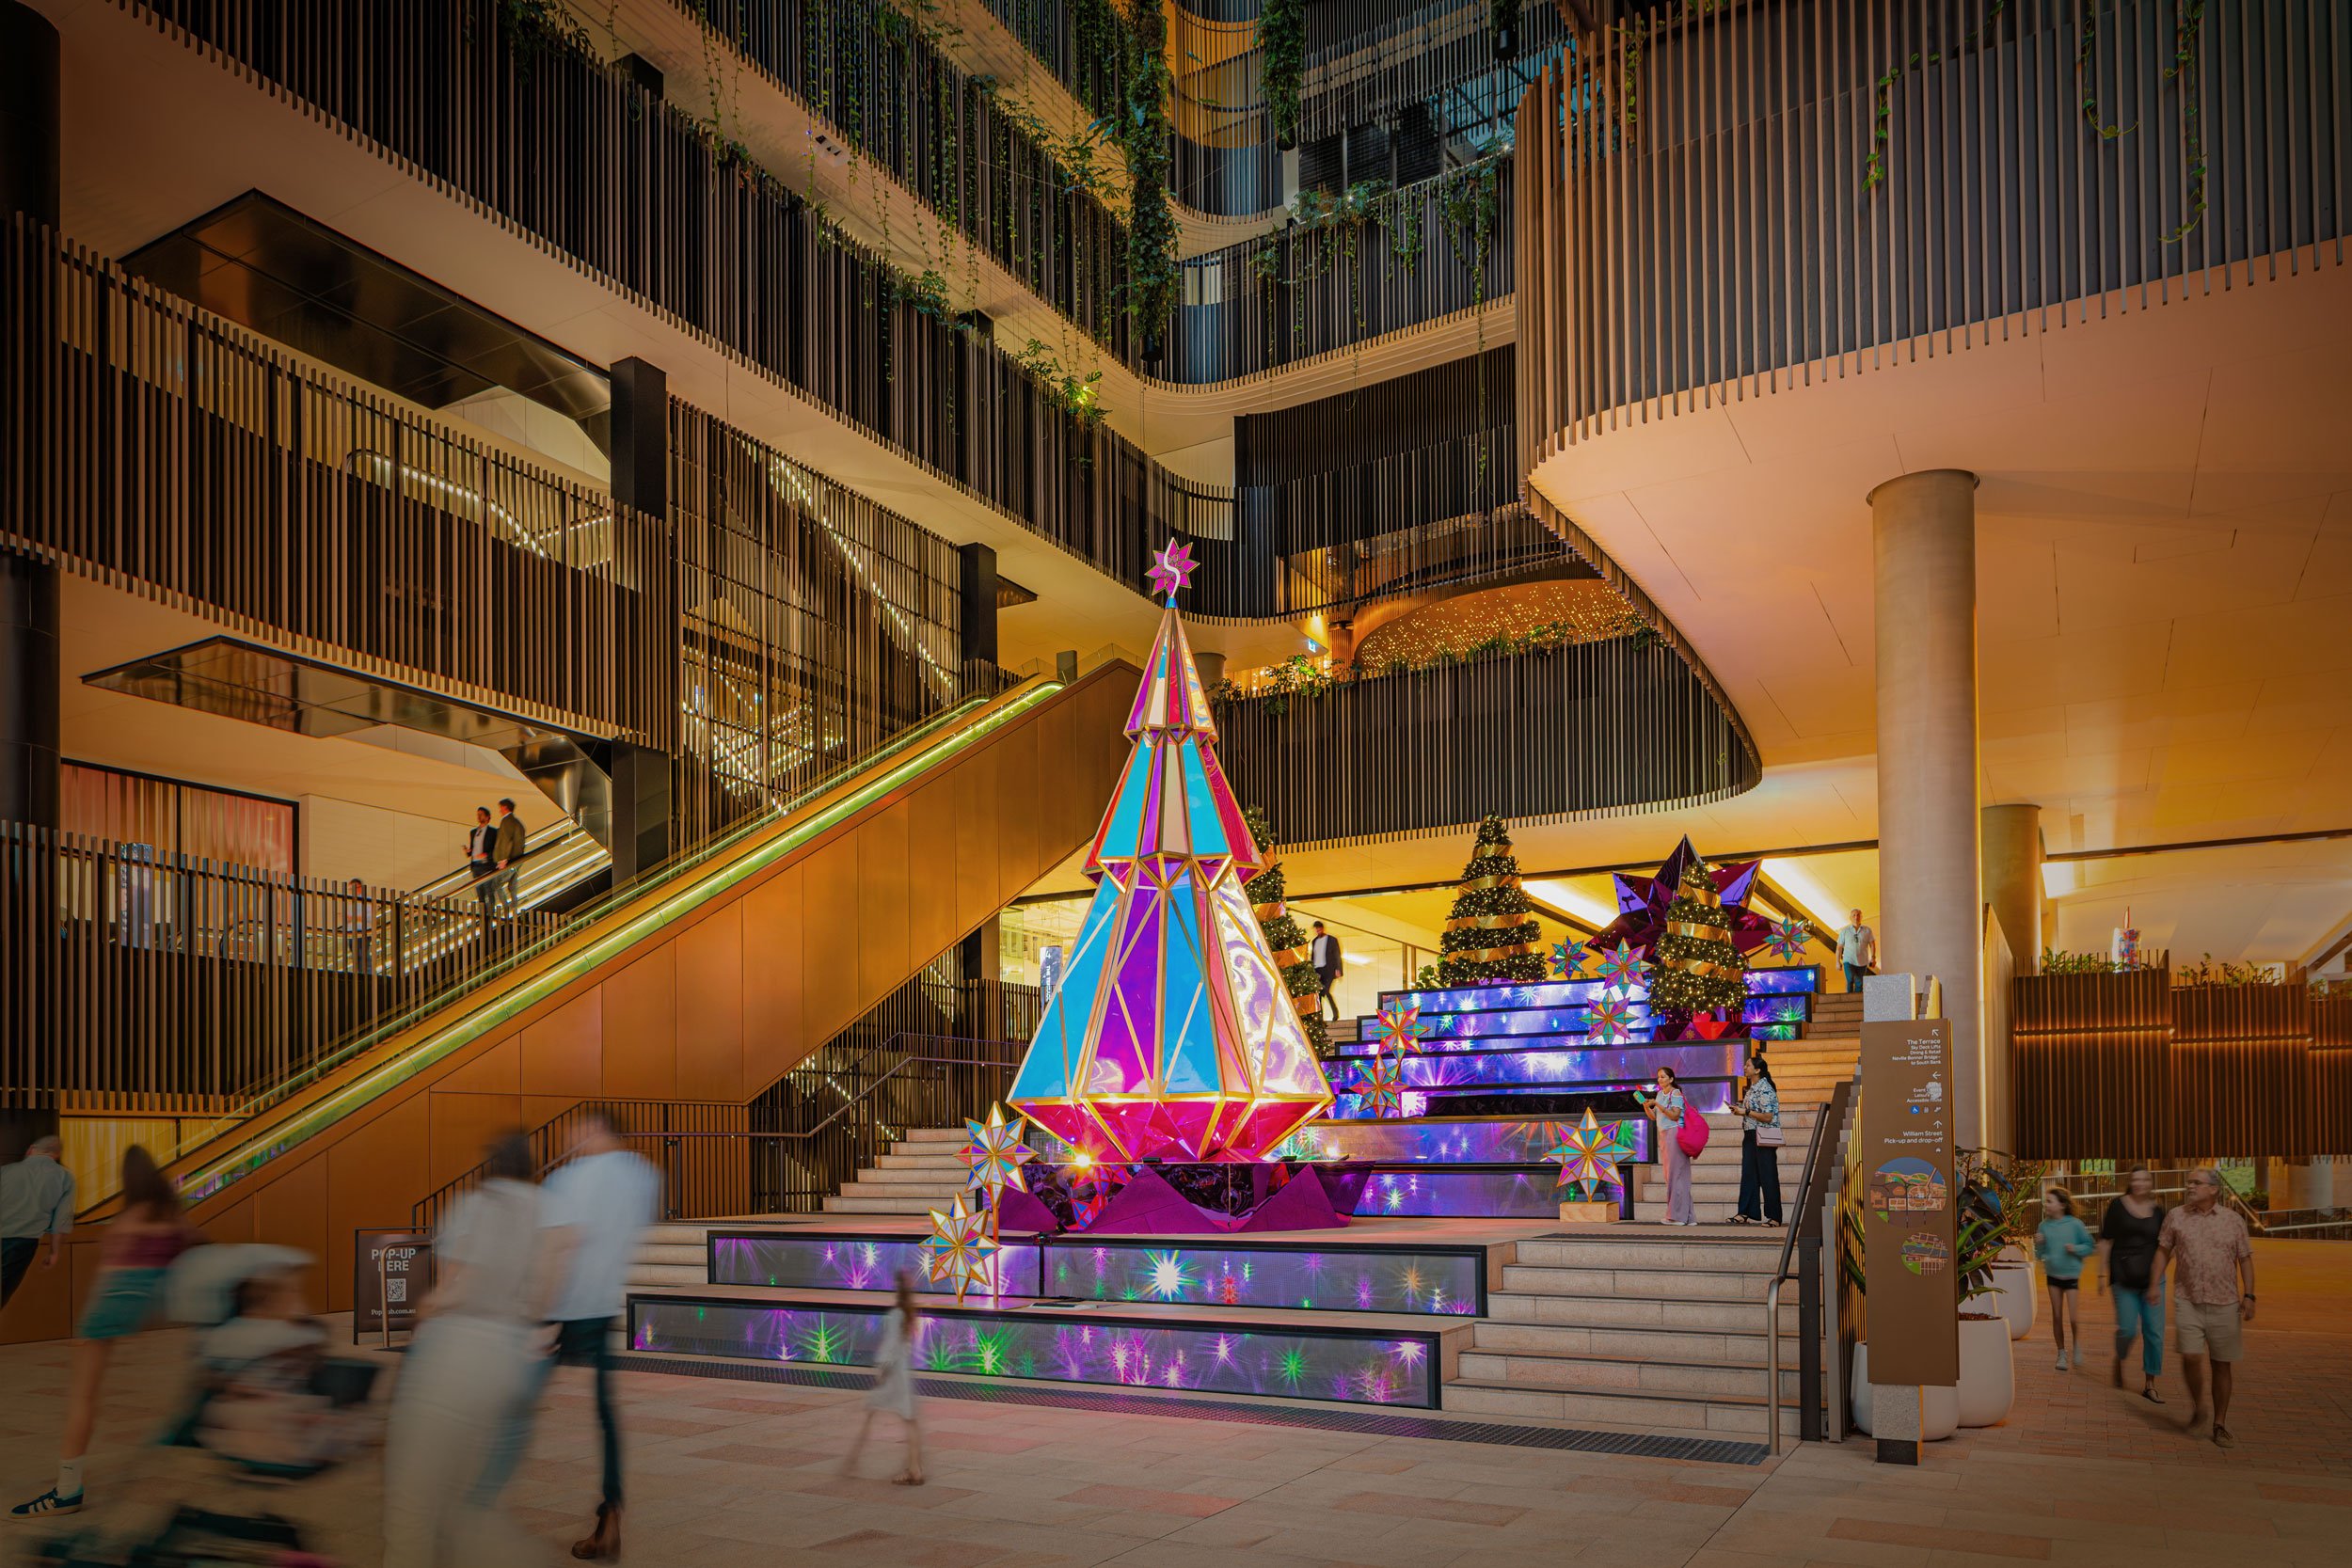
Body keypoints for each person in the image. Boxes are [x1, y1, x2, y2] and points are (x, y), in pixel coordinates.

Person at [383, 1134, 568, 1568]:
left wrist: (428, 1307)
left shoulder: (472, 1205)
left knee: (414, 1494)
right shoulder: (549, 1209)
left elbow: (456, 1283)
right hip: (508, 1355)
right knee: (471, 1497)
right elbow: (547, 1288)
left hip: (453, 1351)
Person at [496, 1115, 660, 1563]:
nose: (570, 1140)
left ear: (594, 1130)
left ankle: (480, 1499)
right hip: (605, 1305)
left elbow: (556, 1248)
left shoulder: (567, 1179)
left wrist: (542, 1317)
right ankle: (611, 1513)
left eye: (576, 1132)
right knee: (606, 1414)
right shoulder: (644, 1175)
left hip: (562, 1311)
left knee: (513, 1401)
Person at [11, 1145, 195, 1519]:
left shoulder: (129, 1218)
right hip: (141, 1310)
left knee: (83, 1400)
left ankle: (67, 1490)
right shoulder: (173, 1218)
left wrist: (84, 1331)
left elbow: (109, 1274)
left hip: (105, 1312)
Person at [2153, 1166, 2255, 1448]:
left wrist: (2250, 1295)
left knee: (2221, 1365)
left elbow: (2245, 1258)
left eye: (2196, 1183)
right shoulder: (2176, 1217)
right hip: (2188, 1299)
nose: (2190, 1187)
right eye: (2189, 1183)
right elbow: (2163, 1250)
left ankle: (2219, 1423)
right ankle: (2199, 1405)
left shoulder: (2233, 1221)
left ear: (2213, 1189)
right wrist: (2153, 1284)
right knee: (2190, 1356)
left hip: (2225, 1302)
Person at [840, 1273, 924, 1485]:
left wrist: (882, 1369)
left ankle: (853, 1461)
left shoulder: (897, 1314)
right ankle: (914, 1470)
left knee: (871, 1410)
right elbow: (904, 1346)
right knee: (909, 1420)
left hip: (893, 1374)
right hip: (903, 1373)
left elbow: (891, 1345)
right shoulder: (910, 1314)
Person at [2098, 1164, 2168, 1403]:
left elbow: (2166, 1246)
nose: (2140, 1183)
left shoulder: (2159, 1211)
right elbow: (2106, 1240)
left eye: (2145, 1180)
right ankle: (2120, 1357)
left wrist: (2158, 1277)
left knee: (2154, 1333)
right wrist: (2100, 1274)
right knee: (2128, 1329)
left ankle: (2150, 1383)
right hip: (2123, 1278)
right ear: (2130, 1182)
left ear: (2151, 1183)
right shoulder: (2118, 1206)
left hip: (2153, 1280)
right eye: (2135, 1179)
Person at [0, 1132, 76, 1311]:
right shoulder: (65, 1177)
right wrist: (54, 1252)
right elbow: (61, 1221)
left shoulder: (5, 1171)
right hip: (21, 1243)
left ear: (31, 1150)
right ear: (56, 1155)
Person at [2036, 1188, 2095, 1370]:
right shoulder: (2043, 1226)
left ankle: (2076, 1346)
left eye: (2050, 1201)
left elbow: (2089, 1246)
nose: (2046, 1205)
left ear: (2062, 1204)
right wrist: (2039, 1245)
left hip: (2071, 1275)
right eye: (2046, 1201)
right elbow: (2040, 1255)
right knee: (2057, 1315)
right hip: (2053, 1275)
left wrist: (2075, 1249)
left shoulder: (2075, 1224)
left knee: (2074, 1317)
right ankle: (2061, 1353)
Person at [1733, 1046, 1783, 1226]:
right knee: (1749, 1174)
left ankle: (1775, 1216)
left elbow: (1768, 1116)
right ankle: (1745, 1212)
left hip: (1763, 1135)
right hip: (1750, 1134)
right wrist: (1741, 1110)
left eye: (1747, 1065)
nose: (1744, 1068)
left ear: (1757, 1070)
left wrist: (1745, 1111)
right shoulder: (1752, 1088)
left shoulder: (1765, 1088)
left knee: (1767, 1175)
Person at [1645, 1067, 1695, 1226]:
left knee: (1675, 1175)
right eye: (1658, 1077)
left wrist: (1658, 1105)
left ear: (1671, 1079)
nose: (1660, 1080)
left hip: (1674, 1134)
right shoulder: (1660, 1094)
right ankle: (1688, 1216)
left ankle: (1676, 1216)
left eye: (1663, 1077)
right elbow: (1654, 1117)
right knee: (1674, 1175)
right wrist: (1647, 1106)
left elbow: (1674, 1115)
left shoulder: (1676, 1093)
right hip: (1665, 1135)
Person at [488, 799, 527, 918]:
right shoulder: (518, 822)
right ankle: (514, 909)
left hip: (509, 860)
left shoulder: (506, 821)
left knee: (496, 885)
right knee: (512, 886)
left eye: (500, 807)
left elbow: (506, 841)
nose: (499, 810)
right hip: (518, 859)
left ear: (505, 807)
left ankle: (506, 910)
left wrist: (503, 859)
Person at [1836, 909, 1876, 992]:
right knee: (1850, 978)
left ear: (1861, 917)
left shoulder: (1867, 930)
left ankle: (1856, 1003)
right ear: (1850, 917)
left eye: (1858, 915)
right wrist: (1837, 961)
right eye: (1854, 915)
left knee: (1859, 984)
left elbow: (1872, 944)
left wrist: (1873, 958)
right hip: (1848, 960)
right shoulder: (1845, 931)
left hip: (1862, 962)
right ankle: (1848, 1000)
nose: (1856, 917)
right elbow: (1839, 947)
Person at [1309, 922, 1343, 1022]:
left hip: (1329, 970)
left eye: (1319, 929)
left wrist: (1338, 969)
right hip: (1318, 970)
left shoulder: (1332, 940)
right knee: (1319, 994)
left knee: (1326, 991)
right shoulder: (1314, 941)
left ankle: (1335, 1013)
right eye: (1316, 930)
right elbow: (1313, 956)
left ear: (1322, 929)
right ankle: (1320, 1017)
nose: (1317, 931)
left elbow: (1337, 955)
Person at [465, 806, 497, 910]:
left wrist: (487, 855)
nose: (478, 816)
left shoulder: (493, 832)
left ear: (488, 817)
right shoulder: (473, 832)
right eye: (477, 814)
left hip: (487, 865)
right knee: (480, 893)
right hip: (476, 865)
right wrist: (468, 852)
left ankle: (491, 914)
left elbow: (496, 848)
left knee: (489, 891)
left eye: (481, 814)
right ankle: (483, 917)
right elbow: (473, 848)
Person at [342, 878, 375, 977]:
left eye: (354, 888)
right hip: (352, 932)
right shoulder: (351, 902)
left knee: (363, 955)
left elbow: (370, 918)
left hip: (362, 931)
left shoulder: (366, 901)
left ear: (360, 888)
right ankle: (360, 975)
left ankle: (367, 975)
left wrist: (352, 917)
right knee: (356, 956)